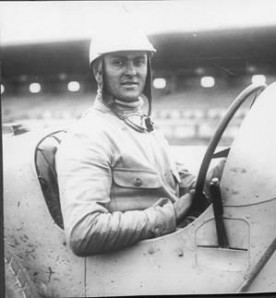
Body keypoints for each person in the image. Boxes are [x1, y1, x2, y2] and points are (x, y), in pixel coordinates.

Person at [56, 22, 199, 256]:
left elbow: (175, 176)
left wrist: (203, 182)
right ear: (98, 72)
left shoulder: (143, 125)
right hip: (146, 261)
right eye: (119, 62)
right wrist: (169, 215)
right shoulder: (89, 136)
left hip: (174, 247)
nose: (132, 71)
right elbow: (84, 232)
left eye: (139, 61)